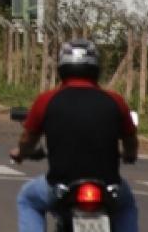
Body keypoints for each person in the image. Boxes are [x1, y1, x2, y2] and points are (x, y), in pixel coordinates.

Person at [10, 39, 138, 232]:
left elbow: (28, 140)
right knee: (126, 205)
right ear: (96, 69)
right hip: (109, 187)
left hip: (60, 187)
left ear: (62, 68)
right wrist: (129, 155)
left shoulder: (47, 100)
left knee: (27, 199)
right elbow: (130, 141)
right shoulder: (115, 101)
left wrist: (20, 153)